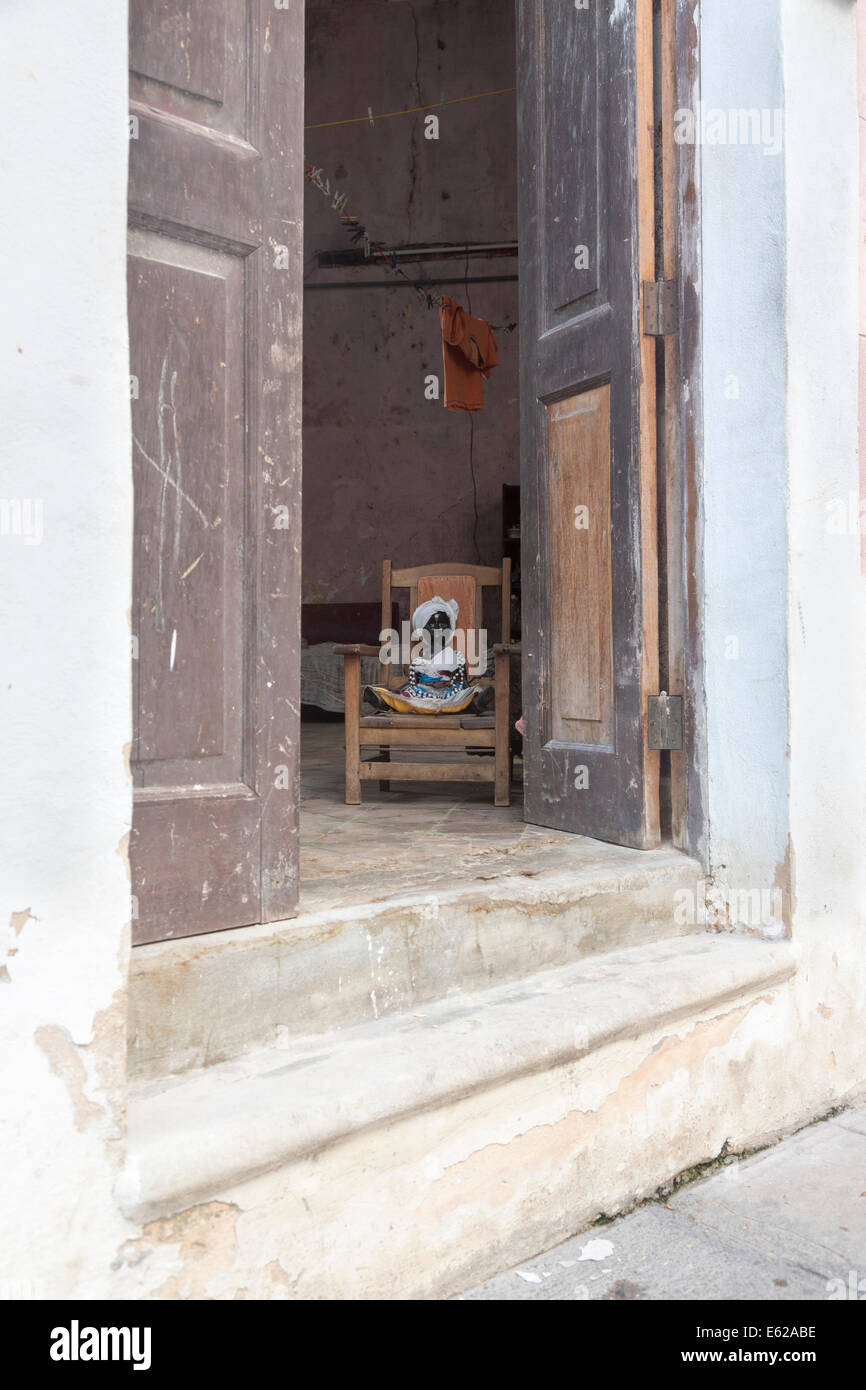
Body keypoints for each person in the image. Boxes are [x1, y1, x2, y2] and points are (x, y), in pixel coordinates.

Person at [363, 596, 493, 715]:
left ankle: (476, 702)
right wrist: (397, 692)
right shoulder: (419, 660)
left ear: (450, 629)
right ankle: (384, 702)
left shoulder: (456, 657)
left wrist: (468, 692)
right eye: (431, 625)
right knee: (404, 697)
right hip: (422, 696)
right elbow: (412, 683)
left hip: (449, 695)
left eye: (443, 625)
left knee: (467, 695)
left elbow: (462, 682)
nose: (438, 629)